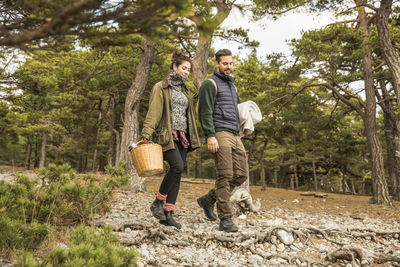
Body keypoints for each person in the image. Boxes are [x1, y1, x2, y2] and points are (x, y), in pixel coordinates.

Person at [141, 51, 200, 229]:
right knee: (177, 167)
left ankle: (168, 213)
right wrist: (146, 133)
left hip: (183, 136)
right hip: (167, 134)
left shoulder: (186, 90)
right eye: (183, 68)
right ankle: (158, 201)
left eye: (188, 70)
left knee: (178, 173)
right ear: (175, 67)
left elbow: (191, 113)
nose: (186, 72)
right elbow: (155, 111)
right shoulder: (162, 86)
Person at [197, 49, 249, 232]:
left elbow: (238, 110)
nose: (229, 67)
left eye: (231, 63)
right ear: (217, 64)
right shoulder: (210, 84)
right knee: (225, 174)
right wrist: (210, 135)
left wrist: (246, 125)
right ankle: (225, 219)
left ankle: (209, 199)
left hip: (235, 133)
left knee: (241, 174)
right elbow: (204, 112)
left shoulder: (232, 86)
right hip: (220, 132)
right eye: (225, 63)